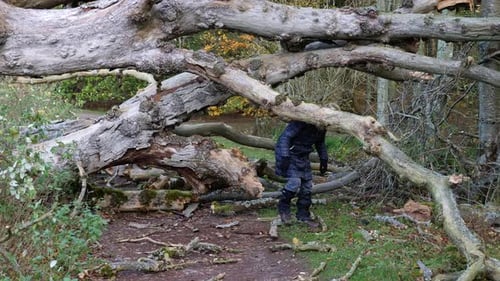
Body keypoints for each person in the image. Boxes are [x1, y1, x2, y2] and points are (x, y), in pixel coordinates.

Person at [275, 120, 328, 228]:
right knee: (294, 182)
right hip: (290, 154)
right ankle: (284, 209)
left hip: (303, 156)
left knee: (307, 186)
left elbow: (320, 143)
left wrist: (324, 158)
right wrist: (284, 155)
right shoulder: (301, 121)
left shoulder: (322, 128)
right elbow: (285, 138)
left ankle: (303, 215)